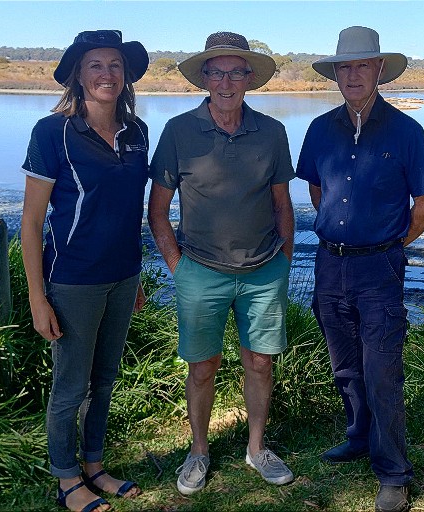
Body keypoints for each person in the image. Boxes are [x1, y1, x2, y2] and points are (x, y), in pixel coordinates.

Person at [296, 26, 424, 512]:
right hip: (328, 265)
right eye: (345, 66)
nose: (353, 74)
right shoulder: (319, 130)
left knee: (382, 369)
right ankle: (358, 437)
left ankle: (394, 473)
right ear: (335, 74)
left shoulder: (407, 131)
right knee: (344, 364)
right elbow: (317, 191)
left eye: (362, 65)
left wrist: (389, 244)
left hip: (380, 268)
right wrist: (341, 233)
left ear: (380, 70)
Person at [147, 31, 295, 496]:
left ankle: (256, 448)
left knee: (260, 364)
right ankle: (198, 452)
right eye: (217, 71)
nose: (226, 81)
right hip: (200, 272)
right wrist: (179, 267)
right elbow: (158, 210)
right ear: (204, 77)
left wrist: (283, 262)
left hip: (264, 271)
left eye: (236, 71)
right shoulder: (178, 132)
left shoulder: (272, 131)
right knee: (202, 367)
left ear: (249, 78)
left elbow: (282, 204)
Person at [19, 30, 150, 512]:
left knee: (106, 378)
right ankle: (67, 478)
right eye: (95, 65)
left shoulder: (137, 132)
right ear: (78, 74)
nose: (106, 74)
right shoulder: (51, 132)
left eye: (115, 65)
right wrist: (38, 297)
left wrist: (135, 276)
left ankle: (94, 464)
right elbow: (31, 224)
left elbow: (131, 209)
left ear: (126, 74)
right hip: (72, 279)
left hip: (123, 276)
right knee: (71, 385)